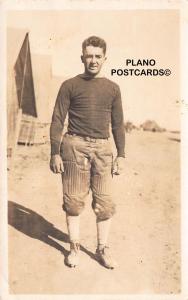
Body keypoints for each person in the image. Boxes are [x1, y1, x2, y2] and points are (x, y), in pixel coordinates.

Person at [50, 36, 125, 269]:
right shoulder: (69, 85)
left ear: (105, 58)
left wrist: (121, 154)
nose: (93, 60)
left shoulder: (113, 88)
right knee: (73, 202)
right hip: (74, 147)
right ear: (82, 57)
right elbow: (57, 119)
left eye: (98, 56)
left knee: (105, 203)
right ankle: (74, 247)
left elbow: (118, 124)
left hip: (103, 149)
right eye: (89, 55)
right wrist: (55, 152)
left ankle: (102, 248)